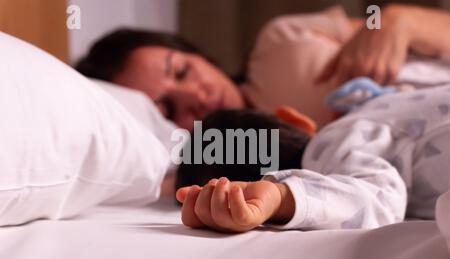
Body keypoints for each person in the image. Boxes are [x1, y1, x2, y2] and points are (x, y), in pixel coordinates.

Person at [77, 4, 450, 129]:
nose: (194, 97)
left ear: (198, 54)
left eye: (182, 71)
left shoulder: (280, 42)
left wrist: (402, 20)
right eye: (168, 110)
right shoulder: (236, 168)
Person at [175, 84, 450, 232]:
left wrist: (282, 197)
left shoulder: (334, 150)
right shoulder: (368, 108)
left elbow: (378, 201)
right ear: (294, 118)